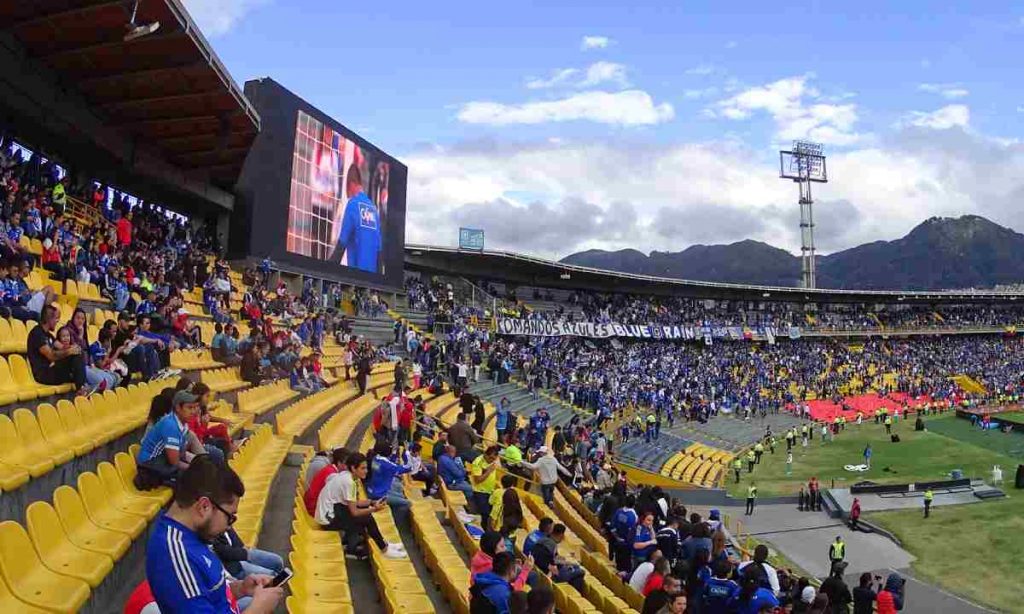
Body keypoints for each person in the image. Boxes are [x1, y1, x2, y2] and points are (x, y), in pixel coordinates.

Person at [145, 457, 283, 613]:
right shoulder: (174, 554)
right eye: (229, 516)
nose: (229, 525)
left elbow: (209, 594)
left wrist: (240, 588)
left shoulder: (193, 534)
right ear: (204, 506)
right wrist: (259, 609)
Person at [314, 452, 407, 559]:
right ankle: (384, 549)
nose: (366, 471)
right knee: (366, 518)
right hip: (328, 520)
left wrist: (372, 502)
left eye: (366, 468)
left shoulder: (347, 476)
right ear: (353, 468)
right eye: (363, 468)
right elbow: (355, 512)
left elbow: (354, 502)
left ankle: (383, 545)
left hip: (332, 512)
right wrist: (374, 509)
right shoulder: (349, 482)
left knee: (364, 514)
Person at [135, 390, 202, 489]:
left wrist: (196, 464)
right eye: (189, 407)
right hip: (150, 464)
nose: (194, 411)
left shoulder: (182, 423)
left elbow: (181, 453)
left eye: (195, 407)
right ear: (178, 408)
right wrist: (194, 468)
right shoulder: (171, 425)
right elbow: (174, 461)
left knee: (199, 472)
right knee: (193, 478)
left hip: (163, 460)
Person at [27, 303, 87, 394]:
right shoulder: (37, 334)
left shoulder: (49, 335)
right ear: (49, 319)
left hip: (53, 370)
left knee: (78, 352)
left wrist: (73, 347)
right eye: (56, 318)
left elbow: (63, 347)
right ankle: (81, 389)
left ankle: (82, 385)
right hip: (44, 374)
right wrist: (69, 352)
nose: (58, 321)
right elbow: (51, 355)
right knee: (75, 355)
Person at [331, 166, 381, 273]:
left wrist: (324, 269)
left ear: (351, 184)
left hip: (357, 277)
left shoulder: (353, 204)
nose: (347, 195)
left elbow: (341, 244)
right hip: (373, 278)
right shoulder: (373, 209)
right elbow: (379, 250)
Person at [212, 526, 285, 580]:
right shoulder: (209, 531)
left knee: (277, 561)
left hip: (240, 556)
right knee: (272, 577)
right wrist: (246, 554)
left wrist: (243, 550)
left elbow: (235, 539)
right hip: (234, 568)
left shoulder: (225, 518)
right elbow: (225, 552)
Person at [531, 523, 585, 592]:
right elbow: (551, 564)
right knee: (581, 571)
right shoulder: (551, 545)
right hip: (553, 576)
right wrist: (559, 566)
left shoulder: (543, 540)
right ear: (561, 535)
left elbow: (552, 558)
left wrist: (566, 563)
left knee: (575, 566)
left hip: (545, 570)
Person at [304, 447, 347, 516]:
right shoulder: (331, 473)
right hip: (315, 508)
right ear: (339, 463)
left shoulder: (330, 469)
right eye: (347, 464)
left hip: (314, 504)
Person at [470, 446, 501, 529]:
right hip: (480, 492)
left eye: (494, 459)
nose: (492, 460)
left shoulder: (493, 461)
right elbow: (478, 480)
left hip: (490, 491)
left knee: (491, 514)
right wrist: (489, 471)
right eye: (491, 458)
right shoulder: (478, 462)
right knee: (485, 515)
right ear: (485, 454)